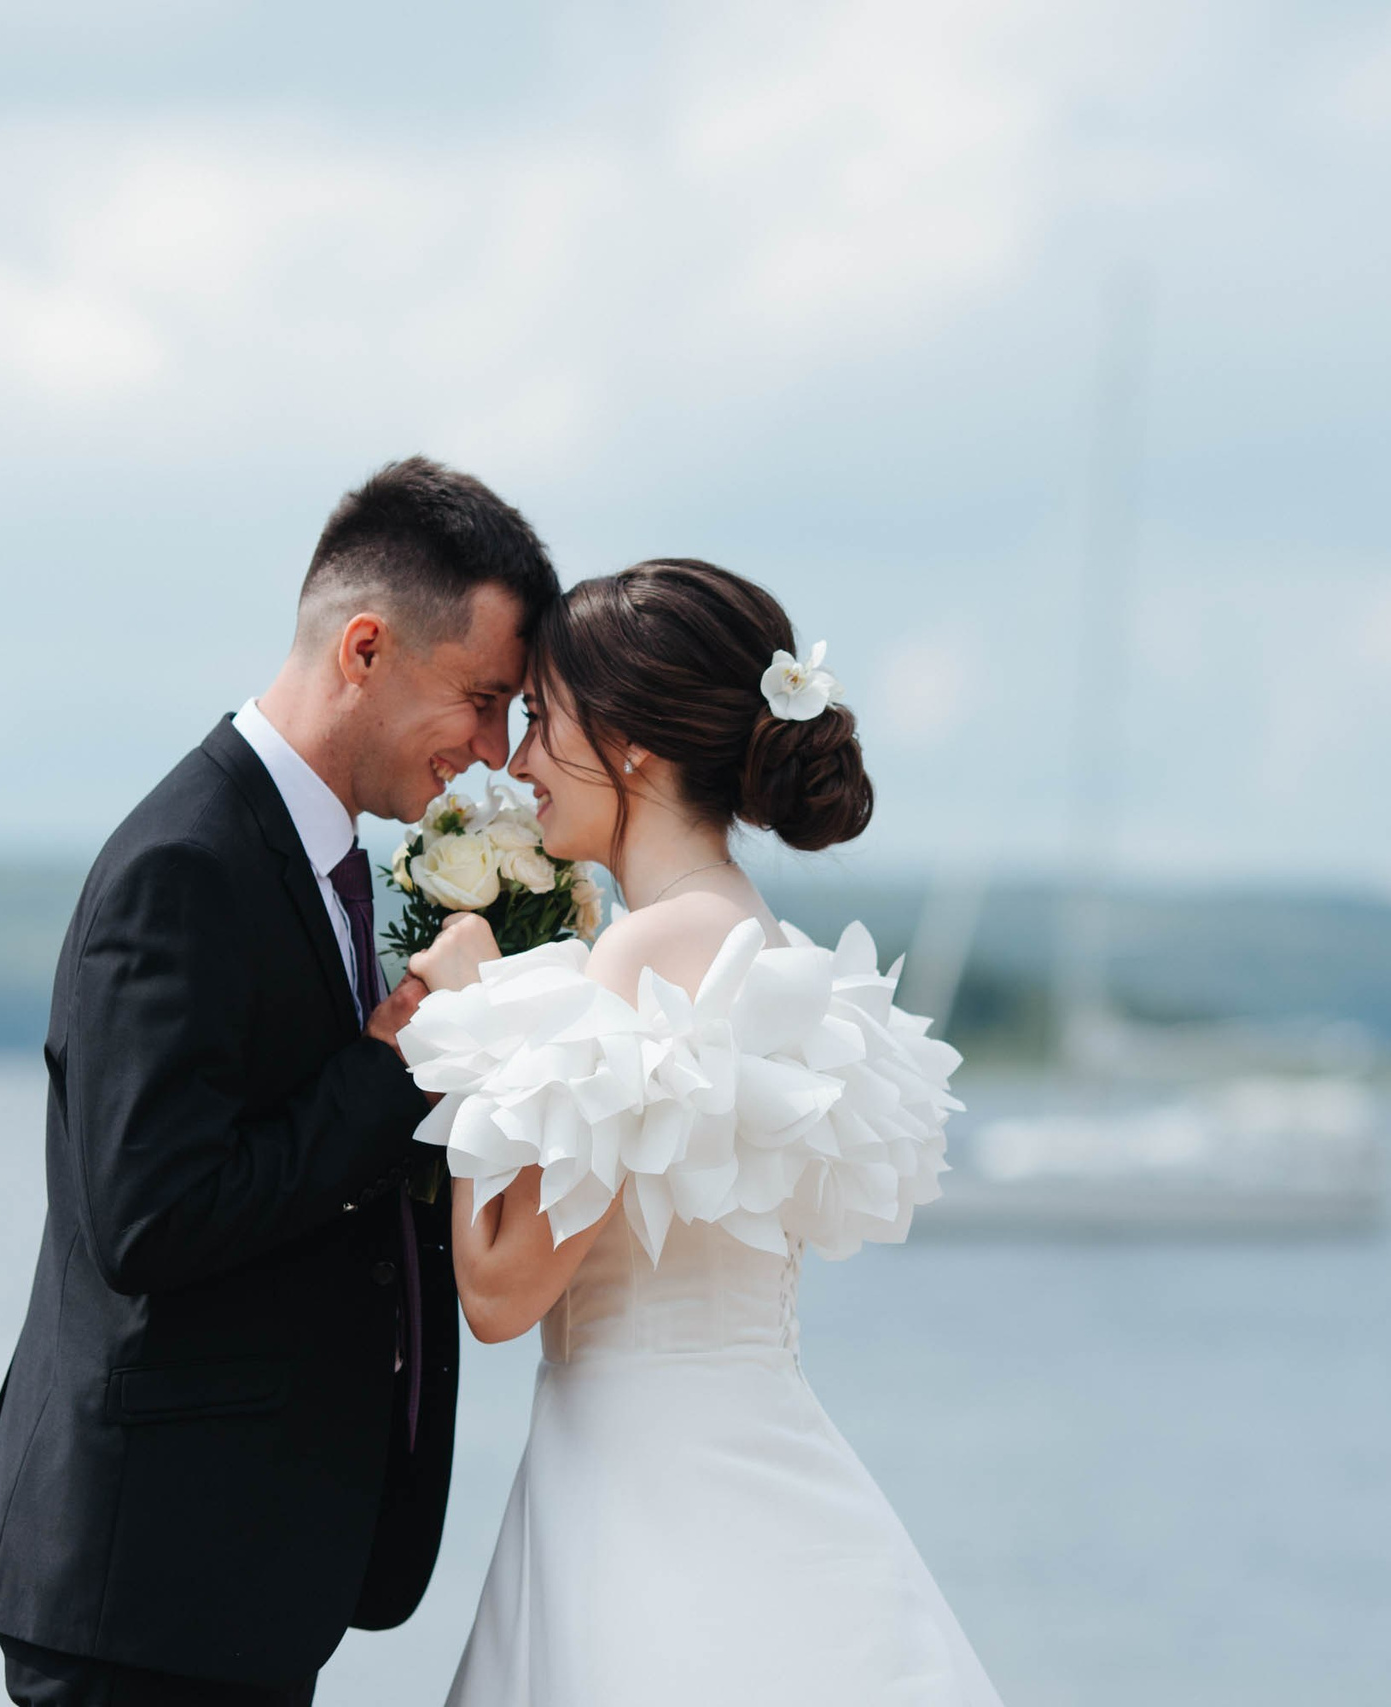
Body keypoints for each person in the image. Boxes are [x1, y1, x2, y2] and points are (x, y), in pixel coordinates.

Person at [0, 457, 558, 1706]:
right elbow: (150, 1215)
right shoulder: (185, 864)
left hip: (237, 1573)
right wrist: (401, 1055)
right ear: (366, 649)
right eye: (482, 701)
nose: (491, 753)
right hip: (146, 1581)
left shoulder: (334, 862)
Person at [399, 559, 1003, 1705]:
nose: (517, 761)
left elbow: (500, 1294)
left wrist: (479, 1016)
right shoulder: (756, 935)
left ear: (628, 743)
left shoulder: (641, 954)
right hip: (731, 1449)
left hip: (650, 1492)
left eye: (541, 720)